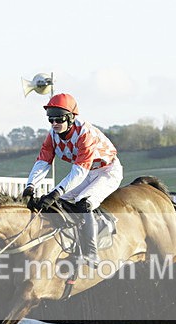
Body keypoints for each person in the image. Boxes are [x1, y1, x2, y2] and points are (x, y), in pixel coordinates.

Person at [22, 94, 123, 268]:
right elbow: (43, 162)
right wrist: (30, 187)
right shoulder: (52, 135)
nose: (54, 124)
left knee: (83, 202)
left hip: (107, 172)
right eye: (50, 119)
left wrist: (55, 192)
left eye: (59, 119)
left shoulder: (85, 134)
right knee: (58, 203)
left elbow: (79, 171)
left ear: (70, 118)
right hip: (87, 172)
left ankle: (91, 253)